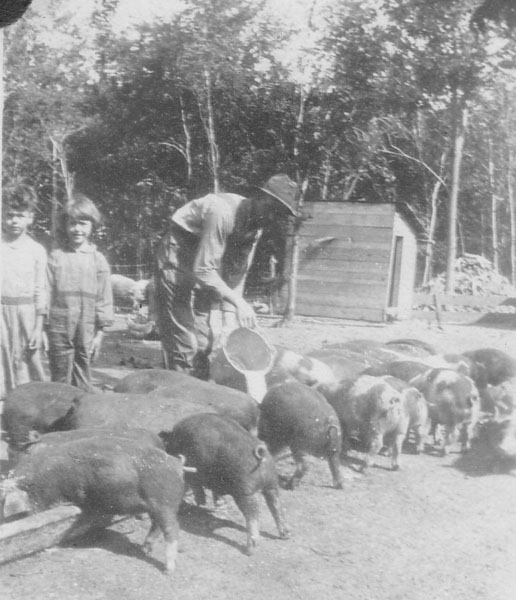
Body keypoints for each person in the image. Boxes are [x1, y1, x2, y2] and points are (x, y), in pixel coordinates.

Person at [154, 173, 299, 379]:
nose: (274, 218)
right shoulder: (221, 212)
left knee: (205, 341)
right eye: (274, 210)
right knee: (184, 340)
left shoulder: (254, 230)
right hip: (178, 256)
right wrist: (239, 303)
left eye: (281, 214)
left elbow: (236, 274)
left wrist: (232, 318)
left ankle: (200, 384)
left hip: (206, 266)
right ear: (261, 198)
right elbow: (203, 269)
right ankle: (180, 389)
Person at [46, 194, 113, 390]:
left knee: (83, 370)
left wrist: (100, 333)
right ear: (65, 226)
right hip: (59, 326)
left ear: (92, 226)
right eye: (72, 223)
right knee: (59, 373)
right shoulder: (56, 257)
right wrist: (44, 328)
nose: (77, 229)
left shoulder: (98, 260)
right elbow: (46, 292)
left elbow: (104, 298)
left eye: (83, 224)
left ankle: (80, 414)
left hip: (87, 327)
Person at [1, 184, 47, 397]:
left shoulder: (36, 250)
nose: (14, 221)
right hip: (1, 312)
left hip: (26, 314)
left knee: (27, 360)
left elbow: (41, 290)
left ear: (30, 217)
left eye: (20, 215)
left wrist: (38, 327)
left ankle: (27, 403)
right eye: (9, 215)